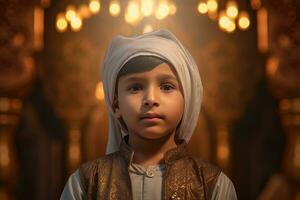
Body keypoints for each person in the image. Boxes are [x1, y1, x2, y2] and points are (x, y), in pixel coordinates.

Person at [60, 29, 237, 200]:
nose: (151, 99)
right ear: (116, 105)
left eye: (167, 87)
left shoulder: (212, 184)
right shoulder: (86, 183)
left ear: (187, 100)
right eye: (135, 87)